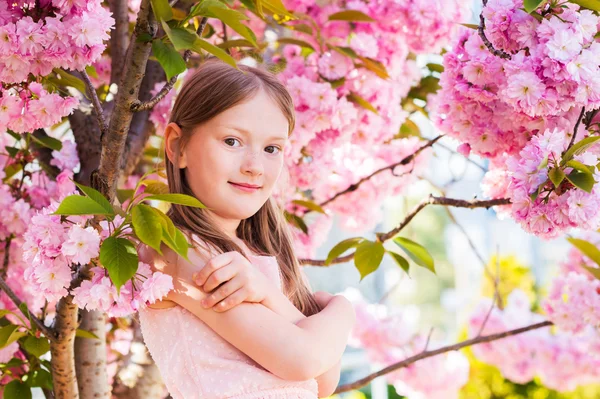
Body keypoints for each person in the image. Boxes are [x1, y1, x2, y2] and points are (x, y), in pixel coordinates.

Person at [137, 59, 356, 399]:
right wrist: (342, 310)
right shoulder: (179, 252)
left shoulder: (255, 257)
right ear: (177, 146)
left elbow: (322, 381)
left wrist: (270, 295)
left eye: (271, 149)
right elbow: (304, 358)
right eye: (232, 141)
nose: (254, 167)